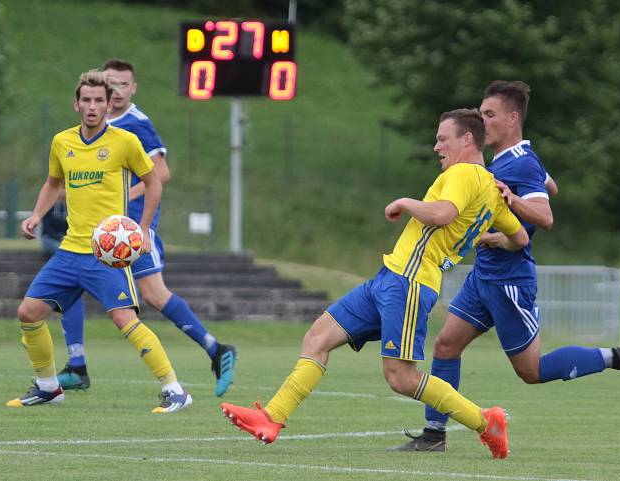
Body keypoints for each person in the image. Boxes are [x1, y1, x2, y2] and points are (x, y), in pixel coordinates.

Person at [221, 108, 529, 459]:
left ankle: (485, 422)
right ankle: (271, 418)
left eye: (443, 139)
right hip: (391, 277)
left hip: (410, 282)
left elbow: (443, 214)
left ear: (467, 139)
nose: (436, 146)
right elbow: (519, 237)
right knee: (317, 337)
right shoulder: (491, 188)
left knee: (400, 378)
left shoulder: (464, 173)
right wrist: (485, 237)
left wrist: (404, 202)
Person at [393, 80, 620, 452]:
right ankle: (434, 434)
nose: (482, 122)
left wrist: (513, 200)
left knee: (530, 371)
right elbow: (550, 186)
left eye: (490, 115)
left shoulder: (519, 162)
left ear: (513, 118)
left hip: (509, 280)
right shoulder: (512, 160)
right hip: (484, 273)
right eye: (481, 114)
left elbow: (545, 215)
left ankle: (618, 356)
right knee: (446, 345)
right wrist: (506, 220)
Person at [6, 69, 191, 412]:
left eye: (99, 101)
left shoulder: (124, 142)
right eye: (86, 100)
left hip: (106, 255)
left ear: (108, 106)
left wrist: (143, 230)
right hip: (69, 251)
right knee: (28, 312)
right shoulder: (62, 142)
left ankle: (175, 390)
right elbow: (52, 183)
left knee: (124, 320)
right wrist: (35, 215)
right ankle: (49, 387)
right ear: (76, 104)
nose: (92, 106)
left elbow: (155, 183)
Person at [55, 59, 236, 397]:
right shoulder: (99, 127)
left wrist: (129, 208)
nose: (118, 91)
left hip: (128, 230)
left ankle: (217, 349)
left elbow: (161, 173)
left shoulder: (136, 123)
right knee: (68, 284)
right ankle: (76, 365)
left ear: (133, 88)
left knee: (153, 294)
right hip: (101, 230)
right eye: (113, 84)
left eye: (124, 84)